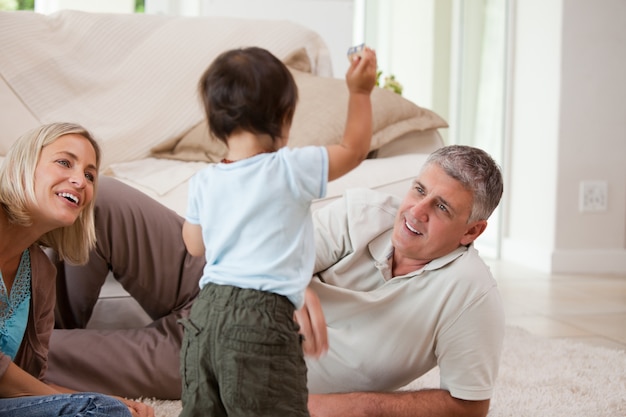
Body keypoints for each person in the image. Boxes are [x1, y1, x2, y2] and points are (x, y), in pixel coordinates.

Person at [47, 150, 504, 416]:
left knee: (40, 358)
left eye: (442, 208)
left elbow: (468, 406)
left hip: (228, 347)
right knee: (98, 196)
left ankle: (41, 355)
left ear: (472, 231)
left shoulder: (469, 293)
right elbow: (284, 249)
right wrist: (292, 279)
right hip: (216, 271)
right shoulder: (368, 213)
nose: (416, 212)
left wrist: (352, 406)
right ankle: (40, 325)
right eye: (420, 191)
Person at [178, 45, 376, 417]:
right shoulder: (290, 168)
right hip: (261, 317)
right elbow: (353, 149)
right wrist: (360, 92)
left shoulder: (204, 180)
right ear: (284, 119)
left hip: (204, 315)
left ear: (214, 123)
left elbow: (193, 244)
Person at [0, 123, 153, 417]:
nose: (80, 181)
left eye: (89, 175)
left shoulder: (41, 273)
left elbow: (33, 384)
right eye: (64, 162)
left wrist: (106, 400)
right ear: (24, 164)